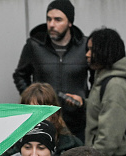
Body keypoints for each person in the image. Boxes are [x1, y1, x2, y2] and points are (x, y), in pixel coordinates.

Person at [13, 0, 89, 142]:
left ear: (70, 22)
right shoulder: (34, 45)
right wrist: (32, 100)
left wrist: (84, 100)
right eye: (49, 19)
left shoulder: (84, 46)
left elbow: (96, 78)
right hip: (43, 119)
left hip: (77, 122)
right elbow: (20, 75)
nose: (52, 24)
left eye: (58, 19)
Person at [78, 28, 126, 156]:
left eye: (92, 49)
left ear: (105, 51)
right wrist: (83, 103)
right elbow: (103, 108)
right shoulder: (104, 78)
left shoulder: (115, 85)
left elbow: (109, 137)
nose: (87, 54)